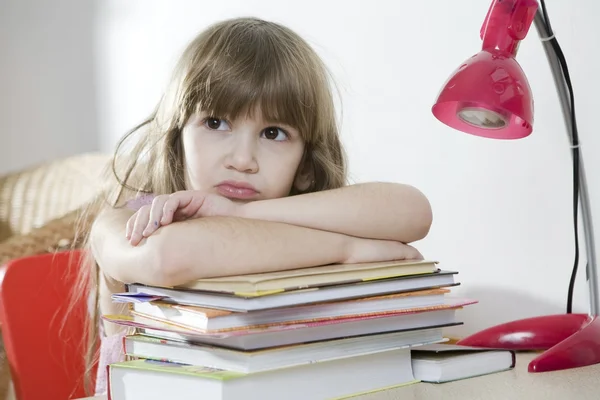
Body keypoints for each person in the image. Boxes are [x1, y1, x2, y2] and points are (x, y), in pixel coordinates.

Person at [81, 16, 433, 396]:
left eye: (273, 133)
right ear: (176, 136)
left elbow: (412, 210)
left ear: (305, 167)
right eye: (215, 123)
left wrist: (240, 213)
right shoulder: (124, 219)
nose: (243, 159)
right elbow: (169, 256)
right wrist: (346, 248)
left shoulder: (293, 212)